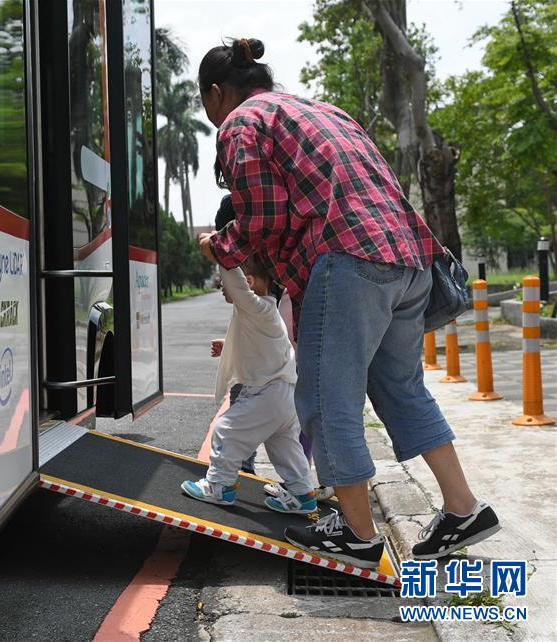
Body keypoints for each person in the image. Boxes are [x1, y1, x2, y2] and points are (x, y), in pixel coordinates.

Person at [196, 38, 499, 568]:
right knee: (401, 389)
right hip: (408, 259)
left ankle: (357, 534)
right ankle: (463, 507)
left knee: (325, 400)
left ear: (218, 93)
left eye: (207, 104)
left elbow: (263, 217)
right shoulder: (323, 110)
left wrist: (219, 248)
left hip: (349, 260)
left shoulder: (242, 124)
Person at [181, 254, 317, 515]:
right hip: (286, 394)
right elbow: (264, 347)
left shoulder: (255, 307)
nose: (222, 286)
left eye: (223, 282)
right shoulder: (268, 309)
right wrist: (228, 345)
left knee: (226, 430)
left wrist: (221, 250)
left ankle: (219, 486)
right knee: (284, 446)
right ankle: (302, 493)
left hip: (266, 393)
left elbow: (236, 284)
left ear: (249, 282)